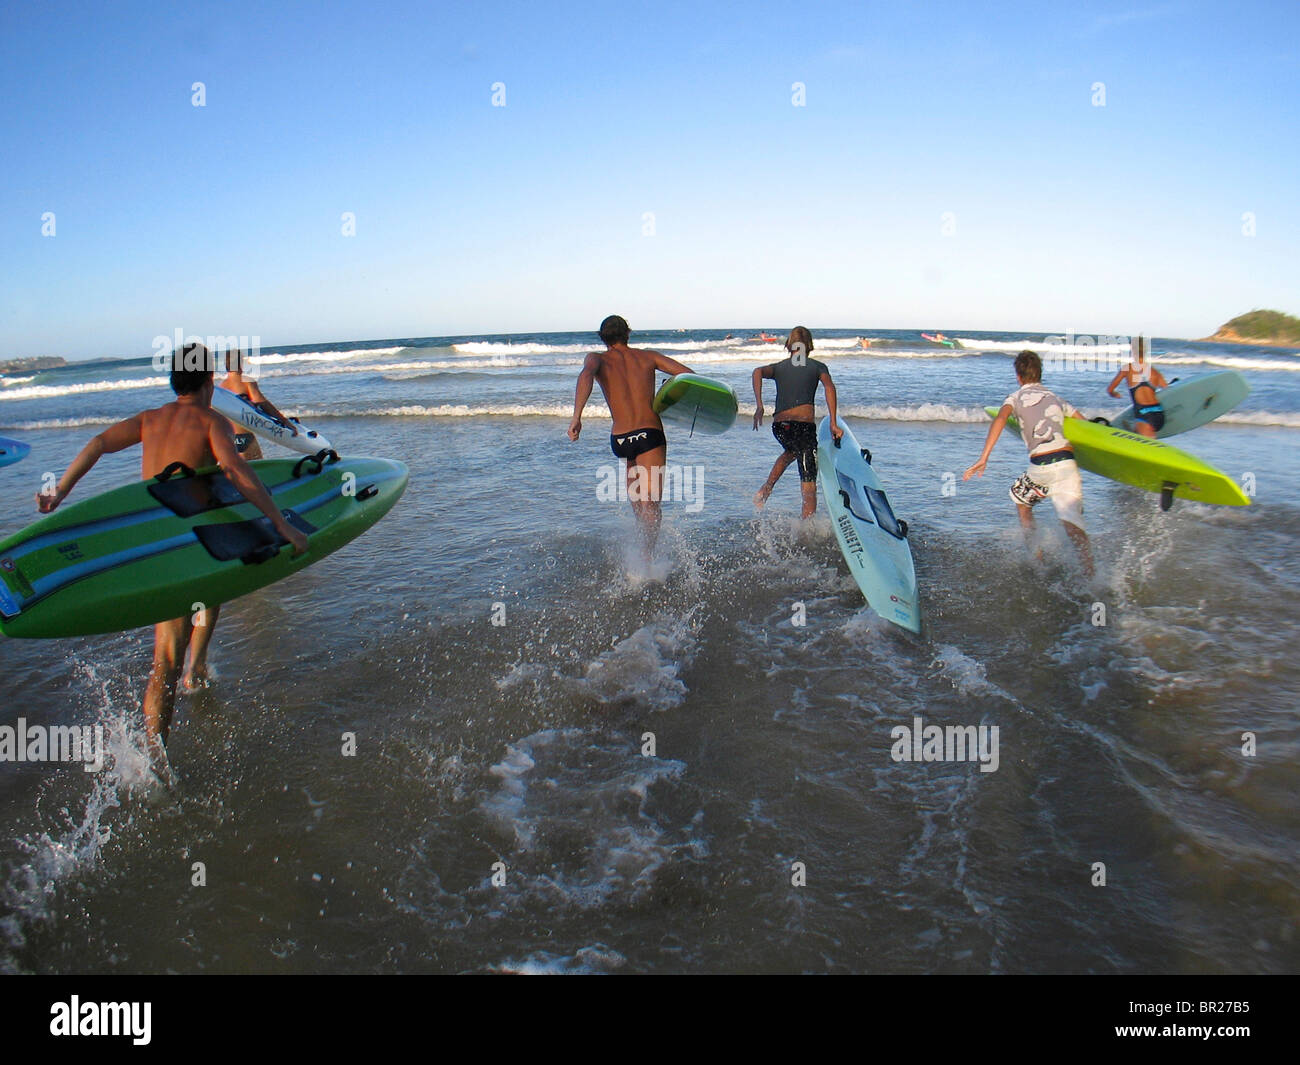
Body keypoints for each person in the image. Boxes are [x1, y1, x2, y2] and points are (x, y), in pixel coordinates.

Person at [36, 343, 309, 781]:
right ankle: (155, 767)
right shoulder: (210, 420)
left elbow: (99, 443)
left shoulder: (151, 418)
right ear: (207, 384)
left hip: (169, 538)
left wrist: (59, 491)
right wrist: (282, 525)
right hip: (179, 547)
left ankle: (196, 672)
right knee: (165, 654)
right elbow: (236, 471)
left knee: (214, 593)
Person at [568, 316, 694, 562]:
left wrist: (576, 417)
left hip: (621, 438)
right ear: (628, 333)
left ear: (602, 337)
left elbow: (585, 376)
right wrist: (667, 392)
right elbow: (688, 375)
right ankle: (648, 556)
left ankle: (640, 552)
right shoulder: (648, 357)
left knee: (637, 501)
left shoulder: (596, 359)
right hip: (650, 434)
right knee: (651, 503)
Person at [964, 350, 1093, 575]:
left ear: (1018, 376)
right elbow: (1088, 428)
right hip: (1066, 464)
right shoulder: (1056, 398)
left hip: (1040, 467)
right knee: (1074, 527)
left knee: (1022, 501)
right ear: (1040, 374)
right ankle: (1093, 577)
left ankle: (1037, 558)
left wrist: (984, 457)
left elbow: (1001, 418)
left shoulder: (1014, 398)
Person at [752, 326, 841, 519]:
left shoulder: (779, 367)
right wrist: (833, 422)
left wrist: (760, 405)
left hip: (781, 427)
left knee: (792, 451)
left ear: (789, 345)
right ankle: (807, 527)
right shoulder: (817, 367)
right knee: (809, 479)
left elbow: (757, 371)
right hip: (803, 428)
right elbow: (829, 388)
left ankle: (766, 488)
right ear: (808, 346)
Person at [218, 348, 299, 460]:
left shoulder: (221, 387)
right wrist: (285, 422)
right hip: (245, 436)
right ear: (240, 362)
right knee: (257, 471)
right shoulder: (246, 381)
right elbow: (262, 403)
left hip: (229, 439)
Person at [1106, 336, 1169, 438]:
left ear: (1132, 349)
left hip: (1144, 415)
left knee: (1147, 450)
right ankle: (1133, 430)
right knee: (1136, 436)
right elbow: (1168, 390)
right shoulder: (1155, 372)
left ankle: (1134, 430)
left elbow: (1110, 390)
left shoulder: (1128, 368)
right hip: (1159, 414)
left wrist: (1115, 394)